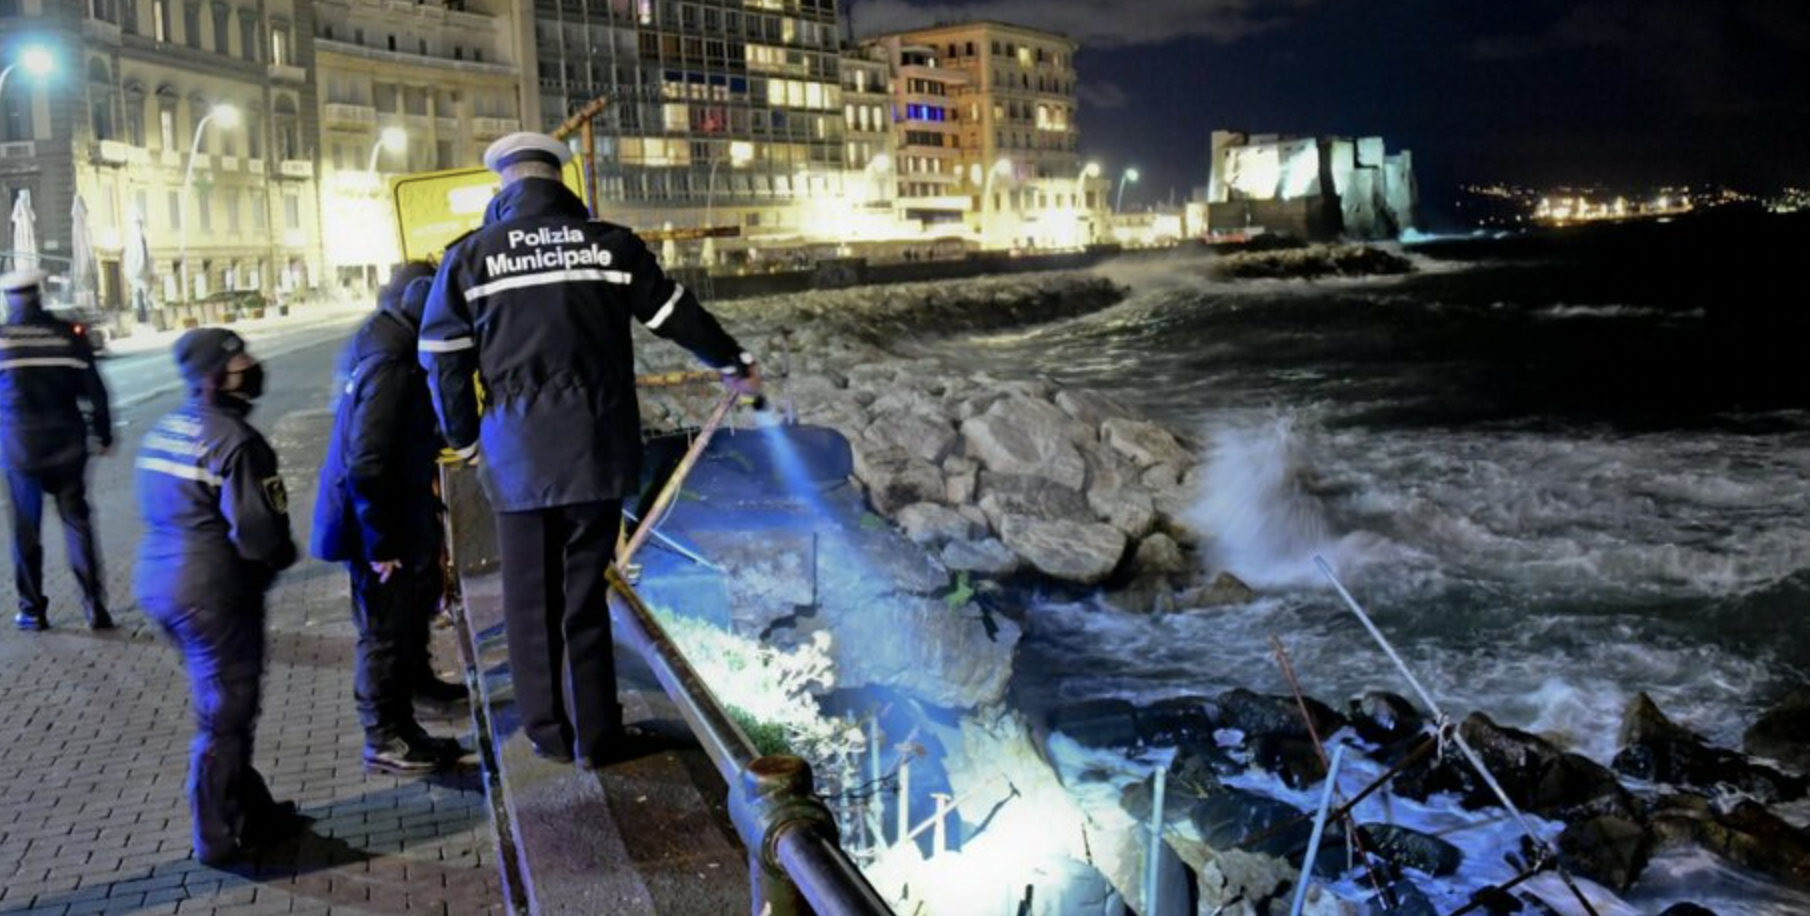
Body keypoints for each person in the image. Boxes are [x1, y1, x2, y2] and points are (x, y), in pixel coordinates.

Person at [419, 132, 760, 768]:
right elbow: (674, 314)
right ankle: (598, 738)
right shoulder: (609, 244)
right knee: (584, 596)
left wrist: (464, 441)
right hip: (596, 446)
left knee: (528, 598)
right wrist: (731, 361)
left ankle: (548, 732)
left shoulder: (469, 258)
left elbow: (442, 357)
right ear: (561, 181)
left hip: (516, 455)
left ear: (504, 186)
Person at [135, 328, 304, 866]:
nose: (251, 366)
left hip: (163, 584)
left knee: (223, 703)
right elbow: (260, 534)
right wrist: (279, 558)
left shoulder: (166, 428)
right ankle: (216, 835)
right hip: (214, 593)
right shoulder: (236, 441)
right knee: (225, 716)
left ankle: (250, 809)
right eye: (239, 361)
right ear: (214, 375)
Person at [313, 263, 468, 774]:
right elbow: (367, 461)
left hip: (392, 514)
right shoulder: (390, 367)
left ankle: (407, 717)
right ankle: (384, 738)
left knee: (402, 621)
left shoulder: (392, 349)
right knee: (383, 631)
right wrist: (380, 544)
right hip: (378, 524)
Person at [0, 269, 113, 631]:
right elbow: (95, 389)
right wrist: (104, 434)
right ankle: (94, 606)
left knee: (26, 530)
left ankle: (32, 610)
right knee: (77, 523)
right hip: (67, 445)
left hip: (20, 448)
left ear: (10, 299)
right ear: (39, 294)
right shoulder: (67, 335)